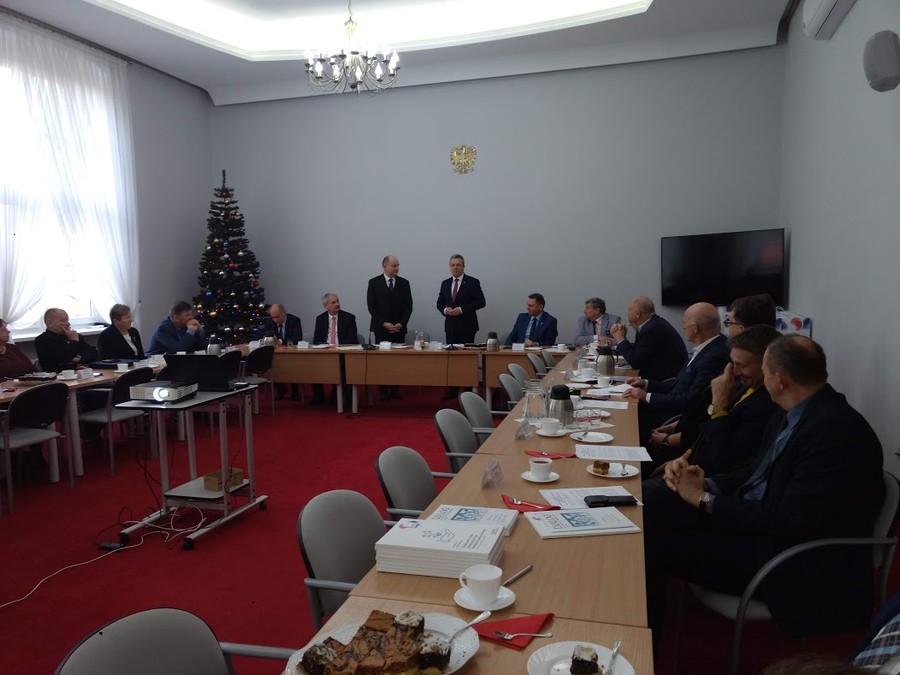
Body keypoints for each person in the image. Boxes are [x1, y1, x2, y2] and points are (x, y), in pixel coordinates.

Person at [644, 335, 884, 653]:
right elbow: (755, 474)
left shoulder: (836, 432)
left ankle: (641, 653)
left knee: (651, 542)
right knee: (652, 500)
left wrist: (704, 500)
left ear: (780, 379)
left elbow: (789, 520)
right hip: (755, 526)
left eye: (765, 372)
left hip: (789, 560)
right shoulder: (792, 412)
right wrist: (703, 483)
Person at [647, 324, 782, 474]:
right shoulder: (742, 384)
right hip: (688, 456)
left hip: (706, 475)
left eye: (741, 365)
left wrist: (719, 405)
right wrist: (684, 457)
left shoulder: (766, 405)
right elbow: (703, 424)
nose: (735, 372)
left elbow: (722, 457)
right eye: (733, 364)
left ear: (766, 365)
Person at [622, 302, 730, 447]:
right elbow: (679, 386)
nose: (683, 327)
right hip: (672, 409)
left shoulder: (714, 356)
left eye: (685, 323)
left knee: (627, 424)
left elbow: (689, 400)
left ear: (695, 328)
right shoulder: (707, 348)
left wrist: (646, 396)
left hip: (675, 418)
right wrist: (646, 384)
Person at [436, 254, 486, 399]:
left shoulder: (472, 282)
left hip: (467, 326)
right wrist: (445, 310)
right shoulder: (445, 283)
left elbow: (481, 302)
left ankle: (468, 391)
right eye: (452, 265)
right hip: (450, 326)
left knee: (467, 359)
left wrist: (461, 309)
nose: (455, 267)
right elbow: (439, 303)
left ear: (463, 266)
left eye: (458, 265)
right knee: (452, 360)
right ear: (449, 267)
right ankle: (452, 390)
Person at [366, 255, 413, 400]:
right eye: (394, 266)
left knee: (397, 359)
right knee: (383, 360)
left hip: (399, 329)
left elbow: (408, 307)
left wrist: (401, 324)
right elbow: (372, 307)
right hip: (381, 329)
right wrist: (384, 323)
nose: (397, 268)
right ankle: (383, 387)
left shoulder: (404, 283)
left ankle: (395, 388)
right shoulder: (374, 282)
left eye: (398, 265)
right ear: (385, 266)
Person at [610, 296, 687, 381]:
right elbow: (637, 350)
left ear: (637, 314)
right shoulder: (653, 324)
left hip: (664, 381)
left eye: (628, 310)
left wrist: (620, 339)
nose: (629, 324)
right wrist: (622, 339)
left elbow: (635, 361)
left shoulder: (652, 329)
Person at [310, 293, 358, 405]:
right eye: (333, 302)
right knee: (312, 366)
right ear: (325, 306)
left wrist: (337, 349)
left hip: (343, 354)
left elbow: (351, 339)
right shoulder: (320, 319)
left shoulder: (349, 318)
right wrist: (325, 348)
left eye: (337, 301)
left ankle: (340, 395)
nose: (337, 304)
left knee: (343, 367)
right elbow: (317, 339)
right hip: (325, 353)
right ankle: (319, 397)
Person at [34, 308, 99, 373]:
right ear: (49, 323)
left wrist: (78, 359)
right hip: (58, 376)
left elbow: (93, 353)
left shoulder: (74, 336)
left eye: (67, 320)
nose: (68, 323)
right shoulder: (43, 340)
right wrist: (74, 341)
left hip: (82, 373)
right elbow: (62, 359)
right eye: (63, 320)